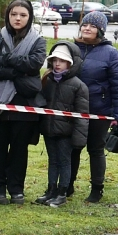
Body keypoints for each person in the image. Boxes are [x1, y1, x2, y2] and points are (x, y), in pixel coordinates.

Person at [0, 0, 47, 205]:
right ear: (8, 16)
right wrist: (18, 69)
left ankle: (16, 188)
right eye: (14, 14)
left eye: (23, 15)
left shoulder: (38, 40)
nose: (18, 18)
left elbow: (34, 63)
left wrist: (6, 60)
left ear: (29, 18)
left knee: (20, 149)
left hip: (24, 104)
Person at [69, 11, 118, 203]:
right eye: (85, 25)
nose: (87, 28)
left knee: (95, 150)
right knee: (72, 148)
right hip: (73, 108)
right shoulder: (71, 48)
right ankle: (67, 185)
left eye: (93, 26)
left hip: (99, 109)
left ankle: (97, 189)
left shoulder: (111, 54)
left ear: (101, 31)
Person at [36, 42, 89, 207]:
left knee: (65, 161)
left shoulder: (79, 86)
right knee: (53, 160)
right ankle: (51, 190)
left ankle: (62, 192)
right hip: (49, 129)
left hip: (66, 131)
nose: (57, 64)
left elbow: (82, 115)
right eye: (55, 60)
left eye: (62, 60)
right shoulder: (47, 80)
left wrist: (79, 138)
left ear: (70, 63)